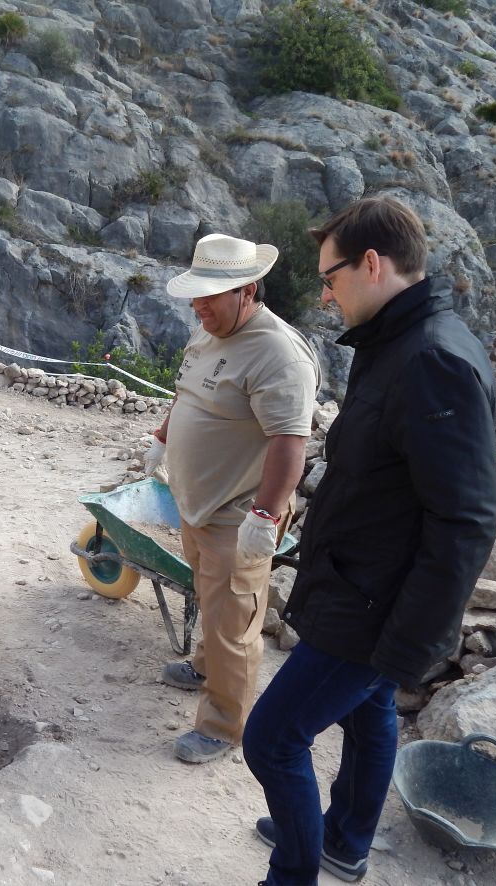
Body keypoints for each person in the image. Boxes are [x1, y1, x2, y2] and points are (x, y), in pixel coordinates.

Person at [242, 197, 496, 885]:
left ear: (371, 263)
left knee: (271, 740)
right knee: (369, 712)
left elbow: (466, 518)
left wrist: (404, 648)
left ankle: (292, 872)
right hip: (357, 584)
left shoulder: (431, 360)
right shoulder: (397, 342)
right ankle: (344, 838)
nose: (324, 294)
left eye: (330, 278)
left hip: (369, 608)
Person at [144, 233, 320, 764]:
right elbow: (187, 393)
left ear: (247, 290)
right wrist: (160, 440)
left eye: (210, 297)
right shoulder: (207, 335)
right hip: (197, 504)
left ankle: (223, 725)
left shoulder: (278, 354)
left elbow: (290, 442)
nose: (199, 308)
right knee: (210, 599)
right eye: (195, 297)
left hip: (240, 512)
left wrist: (265, 516)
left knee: (235, 621)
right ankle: (204, 665)